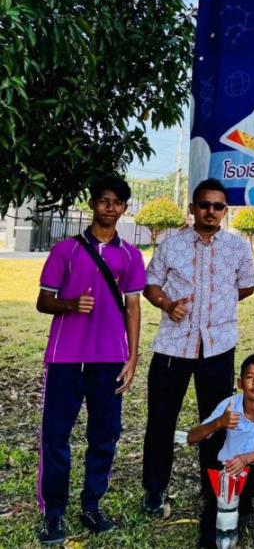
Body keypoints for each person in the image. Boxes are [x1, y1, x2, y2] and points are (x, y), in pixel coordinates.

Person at [35, 175, 146, 545]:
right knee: (56, 436)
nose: (110, 208)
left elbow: (133, 308)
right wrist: (69, 304)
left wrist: (132, 357)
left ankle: (92, 505)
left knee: (105, 435)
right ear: (92, 204)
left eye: (117, 202)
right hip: (65, 357)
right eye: (103, 200)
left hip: (109, 359)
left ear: (124, 208)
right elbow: (43, 301)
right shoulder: (65, 251)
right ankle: (54, 513)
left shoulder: (130, 255)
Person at [142, 178, 254, 519]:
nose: (210, 211)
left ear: (225, 211)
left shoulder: (238, 248)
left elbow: (247, 286)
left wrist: (220, 305)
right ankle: (154, 490)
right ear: (192, 208)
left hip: (218, 347)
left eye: (217, 206)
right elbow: (151, 284)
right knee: (162, 420)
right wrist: (167, 304)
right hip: (173, 346)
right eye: (204, 205)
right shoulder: (171, 244)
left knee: (217, 421)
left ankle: (213, 488)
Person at [188, 354, 254, 549]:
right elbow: (191, 438)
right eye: (250, 377)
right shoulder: (229, 405)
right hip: (229, 473)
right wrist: (219, 423)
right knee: (212, 531)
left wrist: (246, 459)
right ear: (240, 382)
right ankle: (237, 508)